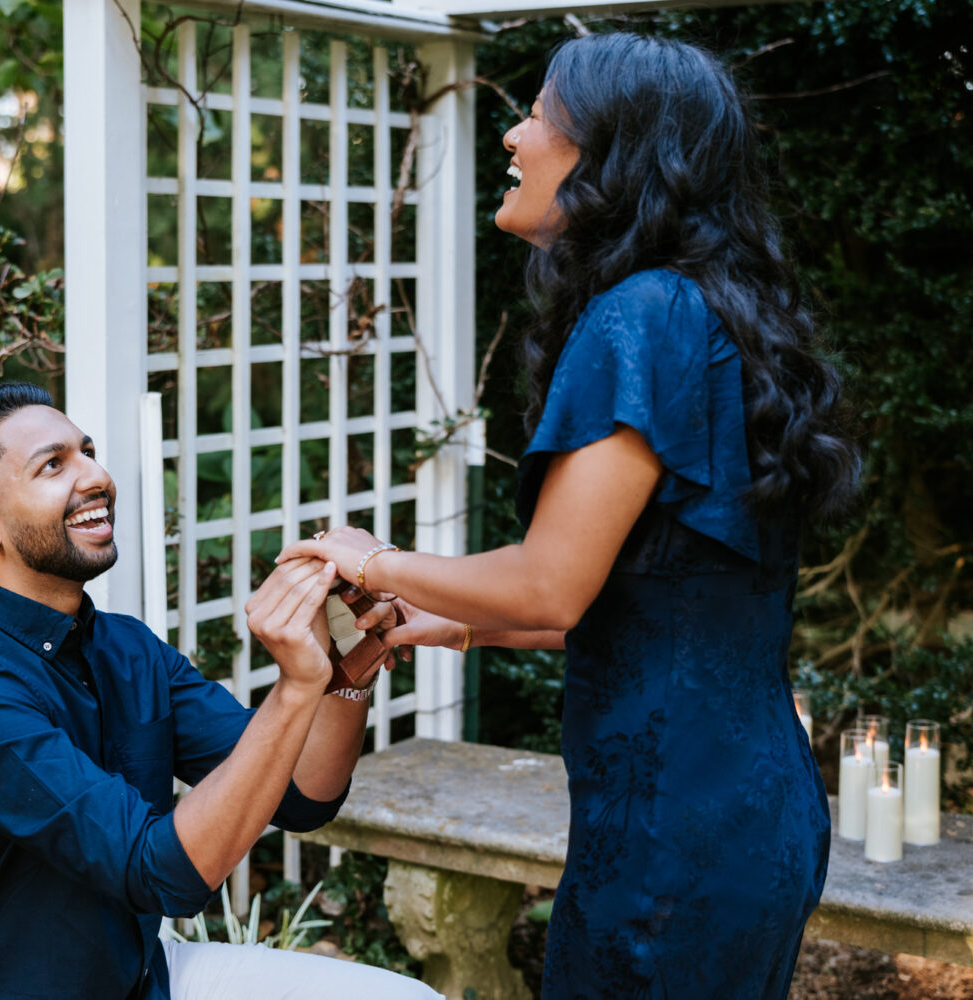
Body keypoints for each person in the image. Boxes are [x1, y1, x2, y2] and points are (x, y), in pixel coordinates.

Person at [279, 32, 860, 999]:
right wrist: (454, 622)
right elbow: (655, 605)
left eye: (542, 115)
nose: (513, 135)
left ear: (615, 154)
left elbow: (550, 581)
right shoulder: (704, 310)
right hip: (744, 809)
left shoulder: (640, 316)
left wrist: (372, 561)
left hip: (674, 834)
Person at [0, 382, 440, 1000]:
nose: (97, 475)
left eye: (88, 451)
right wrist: (295, 687)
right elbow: (162, 874)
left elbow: (303, 797)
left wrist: (345, 671)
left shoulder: (125, 648)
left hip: (143, 982)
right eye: (54, 464)